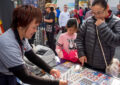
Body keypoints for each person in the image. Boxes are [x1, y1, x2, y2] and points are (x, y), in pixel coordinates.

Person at [0, 5, 67, 85]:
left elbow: (32, 56)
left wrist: (50, 69)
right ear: (21, 24)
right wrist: (56, 83)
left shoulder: (22, 36)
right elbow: (25, 77)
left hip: (12, 75)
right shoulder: (7, 43)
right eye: (34, 27)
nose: (35, 31)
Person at [75, 0, 120, 73]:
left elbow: (116, 42)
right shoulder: (88, 21)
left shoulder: (116, 21)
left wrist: (103, 26)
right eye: (93, 13)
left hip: (104, 66)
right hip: (86, 62)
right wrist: (81, 53)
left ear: (107, 8)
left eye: (99, 13)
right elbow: (79, 38)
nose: (96, 16)